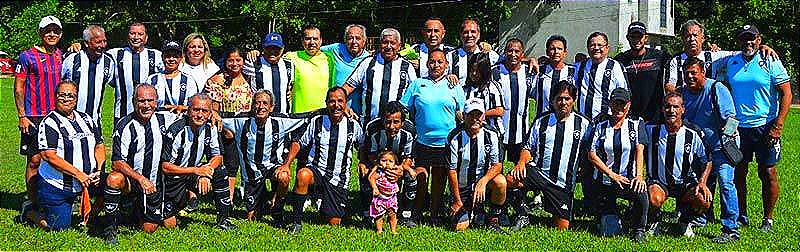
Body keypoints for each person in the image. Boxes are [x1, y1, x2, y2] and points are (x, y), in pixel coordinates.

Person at [721, 24, 792, 232]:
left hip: (766, 126)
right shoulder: (731, 62)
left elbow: (786, 93)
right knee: (739, 172)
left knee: (768, 172)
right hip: (738, 128)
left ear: (759, 40)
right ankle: (741, 214)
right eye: (744, 38)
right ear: (738, 41)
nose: (748, 42)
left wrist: (778, 124)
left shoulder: (770, 59)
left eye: (752, 38)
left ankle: (767, 218)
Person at [506, 81, 592, 231]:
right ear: (552, 100)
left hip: (562, 183)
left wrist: (584, 170)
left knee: (562, 228)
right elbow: (528, 147)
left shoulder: (584, 124)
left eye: (567, 98)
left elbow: (589, 152)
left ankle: (554, 208)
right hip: (539, 173)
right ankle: (522, 213)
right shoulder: (542, 120)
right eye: (559, 98)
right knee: (510, 179)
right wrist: (520, 163)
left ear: (574, 100)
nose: (563, 102)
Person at [280, 87, 363, 233]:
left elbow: (362, 146)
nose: (336, 105)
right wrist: (287, 164)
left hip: (338, 178)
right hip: (317, 171)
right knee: (303, 175)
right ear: (326, 103)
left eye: (340, 101)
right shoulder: (317, 121)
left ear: (345, 104)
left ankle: (327, 206)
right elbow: (298, 142)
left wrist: (362, 162)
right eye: (332, 101)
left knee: (333, 222)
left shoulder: (353, 125)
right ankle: (296, 222)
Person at [103, 84, 178, 245]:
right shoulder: (125, 125)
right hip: (133, 181)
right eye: (141, 101)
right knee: (114, 179)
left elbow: (194, 113)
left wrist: (214, 113)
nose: (146, 105)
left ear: (156, 102)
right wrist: (141, 179)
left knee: (154, 227)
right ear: (133, 101)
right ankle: (110, 229)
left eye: (150, 100)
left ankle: (130, 210)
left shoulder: (165, 118)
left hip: (155, 184)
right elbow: (117, 162)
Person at [678, 57, 740, 243]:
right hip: (700, 151)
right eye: (686, 73)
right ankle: (700, 218)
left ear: (702, 72)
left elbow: (731, 119)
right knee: (699, 184)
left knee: (726, 183)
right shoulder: (682, 94)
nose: (690, 77)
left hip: (721, 148)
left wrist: (728, 140)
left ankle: (731, 228)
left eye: (693, 73)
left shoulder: (716, 89)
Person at [400, 48, 465, 224]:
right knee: (420, 178)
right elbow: (404, 108)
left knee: (439, 181)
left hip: (445, 143)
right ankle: (416, 213)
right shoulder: (417, 84)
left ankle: (435, 214)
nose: (435, 65)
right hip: (422, 142)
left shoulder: (454, 85)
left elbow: (461, 112)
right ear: (427, 64)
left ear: (446, 65)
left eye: (439, 62)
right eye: (432, 62)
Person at [221, 90, 307, 222]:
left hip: (273, 168)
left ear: (271, 107)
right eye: (257, 103)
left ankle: (277, 207)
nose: (261, 107)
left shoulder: (280, 121)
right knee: (252, 218)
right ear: (252, 105)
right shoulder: (240, 120)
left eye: (265, 103)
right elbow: (211, 113)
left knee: (284, 176)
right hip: (251, 173)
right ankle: (260, 202)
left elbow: (307, 116)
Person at [15, 15, 64, 228]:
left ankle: (55, 198)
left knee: (55, 158)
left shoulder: (62, 55)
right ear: (40, 33)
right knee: (34, 160)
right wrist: (22, 115)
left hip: (57, 116)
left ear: (60, 34)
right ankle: (32, 202)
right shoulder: (27, 56)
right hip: (33, 116)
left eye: (55, 31)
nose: (51, 34)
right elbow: (18, 88)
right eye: (47, 30)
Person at [36, 81, 106, 231]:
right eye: (62, 95)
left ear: (76, 98)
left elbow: (99, 145)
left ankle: (87, 218)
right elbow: (49, 156)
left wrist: (99, 169)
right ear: (55, 97)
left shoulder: (86, 118)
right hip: (57, 185)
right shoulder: (49, 122)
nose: (66, 99)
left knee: (112, 186)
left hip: (87, 181)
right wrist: (78, 174)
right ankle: (29, 212)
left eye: (71, 96)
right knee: (58, 227)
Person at [161, 93, 236, 230]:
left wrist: (205, 172)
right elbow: (165, 167)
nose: (200, 115)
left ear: (210, 113)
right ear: (188, 111)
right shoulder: (177, 130)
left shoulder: (211, 128)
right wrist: (197, 171)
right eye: (196, 110)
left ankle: (223, 219)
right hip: (173, 178)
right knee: (170, 225)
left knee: (221, 172)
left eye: (205, 111)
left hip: (193, 173)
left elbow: (218, 157)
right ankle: (184, 199)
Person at [644, 93, 712, 238]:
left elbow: (707, 160)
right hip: (659, 182)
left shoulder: (694, 133)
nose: (671, 110)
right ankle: (654, 221)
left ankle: (685, 221)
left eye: (676, 106)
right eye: (667, 106)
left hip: (685, 183)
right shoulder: (650, 129)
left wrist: (702, 182)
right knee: (653, 199)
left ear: (683, 109)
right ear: (662, 109)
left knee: (703, 200)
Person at [587, 88, 649, 242]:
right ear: (610, 104)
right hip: (605, 181)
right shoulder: (600, 125)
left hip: (628, 179)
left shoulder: (636, 124)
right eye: (615, 103)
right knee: (611, 232)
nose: (618, 108)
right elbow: (591, 154)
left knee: (642, 196)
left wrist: (639, 176)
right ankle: (607, 216)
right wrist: (612, 175)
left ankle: (639, 228)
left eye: (622, 104)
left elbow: (639, 149)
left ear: (628, 105)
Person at [447, 98, 507, 234]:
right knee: (460, 228)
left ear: (483, 116)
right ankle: (470, 209)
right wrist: (457, 201)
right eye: (471, 115)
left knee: (501, 181)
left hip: (483, 187)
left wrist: (483, 181)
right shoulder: (455, 137)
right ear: (464, 116)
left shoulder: (492, 134)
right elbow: (451, 171)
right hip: (463, 187)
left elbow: (497, 165)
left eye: (478, 115)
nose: (475, 119)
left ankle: (493, 220)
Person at [665, 20, 776, 93]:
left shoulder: (714, 57)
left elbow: (742, 52)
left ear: (702, 38)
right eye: (688, 36)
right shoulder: (676, 60)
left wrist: (761, 46)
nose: (692, 39)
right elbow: (669, 85)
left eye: (695, 35)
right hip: (685, 106)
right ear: (683, 39)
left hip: (707, 108)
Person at [204, 47, 254, 206]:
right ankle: (224, 197)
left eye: (238, 60)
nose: (234, 63)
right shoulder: (218, 80)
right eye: (230, 60)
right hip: (225, 130)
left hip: (245, 129)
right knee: (227, 165)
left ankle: (239, 196)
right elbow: (215, 110)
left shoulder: (249, 79)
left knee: (242, 164)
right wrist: (226, 129)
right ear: (225, 62)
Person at [358, 101, 418, 227]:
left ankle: (406, 215)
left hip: (399, 163)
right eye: (387, 122)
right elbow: (371, 153)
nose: (391, 126)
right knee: (364, 171)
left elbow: (408, 156)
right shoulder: (373, 128)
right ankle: (367, 214)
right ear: (382, 120)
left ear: (402, 122)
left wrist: (399, 169)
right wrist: (384, 168)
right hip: (378, 162)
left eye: (396, 122)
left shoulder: (410, 130)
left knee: (411, 176)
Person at [342, 28, 417, 124]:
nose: (388, 46)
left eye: (392, 43)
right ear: (380, 44)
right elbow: (347, 87)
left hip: (396, 127)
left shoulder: (407, 67)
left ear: (399, 46)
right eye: (385, 42)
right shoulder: (367, 63)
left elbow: (416, 94)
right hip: (369, 125)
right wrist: (343, 105)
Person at [105, 23, 165, 123]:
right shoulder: (115, 54)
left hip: (149, 113)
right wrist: (76, 46)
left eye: (140, 34)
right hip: (122, 113)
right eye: (132, 33)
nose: (136, 37)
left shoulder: (157, 56)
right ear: (128, 36)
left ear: (146, 37)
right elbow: (94, 54)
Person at [613, 21, 670, 122]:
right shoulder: (619, 60)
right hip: (629, 118)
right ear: (627, 38)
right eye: (633, 37)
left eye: (639, 36)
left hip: (656, 118)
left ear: (646, 38)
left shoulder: (660, 56)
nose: (636, 40)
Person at [61, 25, 115, 124]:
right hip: (69, 120)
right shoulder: (72, 59)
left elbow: (117, 84)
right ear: (86, 43)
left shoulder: (108, 62)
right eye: (98, 42)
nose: (102, 45)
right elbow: (57, 83)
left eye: (104, 41)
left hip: (94, 121)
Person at [494, 38, 534, 165]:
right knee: (495, 170)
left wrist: (533, 60)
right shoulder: (495, 71)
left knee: (519, 170)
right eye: (510, 51)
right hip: (497, 132)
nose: (513, 54)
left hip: (521, 133)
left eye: (517, 51)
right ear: (505, 52)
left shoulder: (530, 72)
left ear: (522, 54)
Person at [574, 31, 629, 122]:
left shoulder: (616, 67)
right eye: (592, 45)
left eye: (600, 45)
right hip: (583, 122)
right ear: (588, 48)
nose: (596, 48)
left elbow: (624, 94)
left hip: (607, 123)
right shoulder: (579, 67)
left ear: (607, 48)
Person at [284, 25, 336, 114]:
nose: (312, 42)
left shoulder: (330, 58)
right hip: (298, 115)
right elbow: (271, 59)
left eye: (315, 39)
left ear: (321, 40)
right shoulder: (291, 57)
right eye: (308, 39)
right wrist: (255, 54)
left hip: (323, 114)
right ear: (302, 41)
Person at [243, 32, 294, 114]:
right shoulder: (253, 63)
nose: (272, 51)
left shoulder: (289, 65)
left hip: (283, 118)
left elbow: (291, 87)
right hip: (259, 116)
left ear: (282, 49)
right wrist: (248, 53)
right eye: (269, 48)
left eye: (276, 48)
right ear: (263, 48)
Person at [146, 40, 201, 113]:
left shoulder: (189, 81)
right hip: (156, 121)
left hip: (180, 121)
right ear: (162, 57)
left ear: (181, 58)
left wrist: (180, 107)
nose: (171, 59)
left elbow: (195, 106)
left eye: (175, 56)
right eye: (168, 56)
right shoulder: (152, 79)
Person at [533, 35, 575, 118]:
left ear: (565, 52)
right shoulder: (538, 71)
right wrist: (530, 59)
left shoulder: (574, 72)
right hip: (543, 121)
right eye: (552, 49)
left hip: (567, 122)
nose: (556, 51)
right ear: (547, 52)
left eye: (560, 49)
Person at [447, 19, 500, 83]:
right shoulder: (450, 56)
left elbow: (507, 63)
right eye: (466, 32)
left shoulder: (489, 54)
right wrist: (447, 77)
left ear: (479, 35)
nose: (469, 35)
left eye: (473, 32)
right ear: (461, 35)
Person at [463, 52, 504, 137]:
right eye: (472, 70)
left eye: (477, 71)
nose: (474, 74)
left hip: (492, 132)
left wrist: (478, 116)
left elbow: (499, 110)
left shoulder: (492, 87)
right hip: (470, 133)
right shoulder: (465, 89)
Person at [368, 151, 402, 234]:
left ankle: (393, 230)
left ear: (395, 164)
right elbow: (372, 178)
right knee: (379, 215)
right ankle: (379, 230)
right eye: (383, 161)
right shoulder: (379, 172)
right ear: (379, 162)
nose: (387, 163)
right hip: (380, 197)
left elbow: (402, 169)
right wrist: (375, 188)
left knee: (392, 214)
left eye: (390, 161)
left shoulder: (395, 171)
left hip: (391, 198)